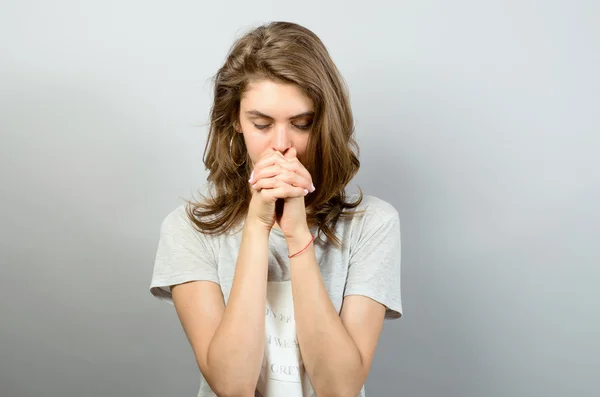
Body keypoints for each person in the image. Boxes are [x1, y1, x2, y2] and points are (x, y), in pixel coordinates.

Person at [149, 21, 402, 397]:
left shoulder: (374, 225)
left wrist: (299, 235)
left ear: (325, 123)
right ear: (236, 120)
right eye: (262, 123)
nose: (282, 146)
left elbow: (340, 387)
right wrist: (257, 226)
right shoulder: (187, 230)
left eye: (301, 124)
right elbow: (232, 386)